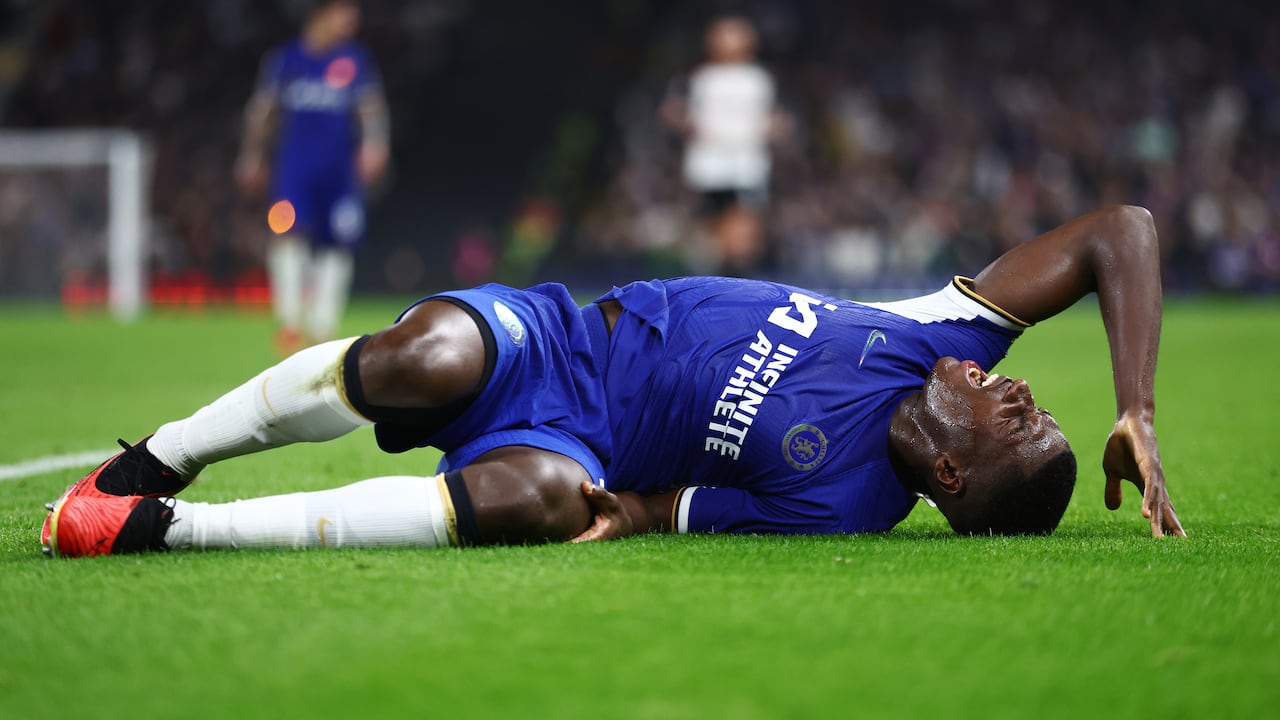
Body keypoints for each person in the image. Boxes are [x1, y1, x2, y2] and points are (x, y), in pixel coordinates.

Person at [40, 206, 1183, 558]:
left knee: (535, 504)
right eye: (1022, 399)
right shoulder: (950, 332)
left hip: (574, 441)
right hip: (556, 342)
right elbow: (1118, 234)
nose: (1022, 393)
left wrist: (616, 511)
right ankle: (165, 452)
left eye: (1014, 424)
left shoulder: (843, 507)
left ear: (947, 469)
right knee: (415, 360)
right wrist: (1132, 402)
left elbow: (666, 508)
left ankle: (162, 528)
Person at [235, 0, 390, 354]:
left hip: (339, 171)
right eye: (344, 10)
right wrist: (252, 155)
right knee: (287, 237)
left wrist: (374, 144)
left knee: (338, 243)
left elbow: (371, 108)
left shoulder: (355, 59)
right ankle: (289, 323)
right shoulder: (286, 59)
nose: (353, 19)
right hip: (295, 168)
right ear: (320, 13)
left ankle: (323, 327)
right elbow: (262, 111)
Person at [661, 16, 788, 274]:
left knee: (742, 223)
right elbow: (673, 110)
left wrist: (772, 130)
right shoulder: (700, 77)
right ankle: (716, 279)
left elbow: (776, 118)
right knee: (712, 224)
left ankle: (737, 276)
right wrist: (686, 122)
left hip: (745, 162)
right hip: (709, 164)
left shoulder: (758, 78)